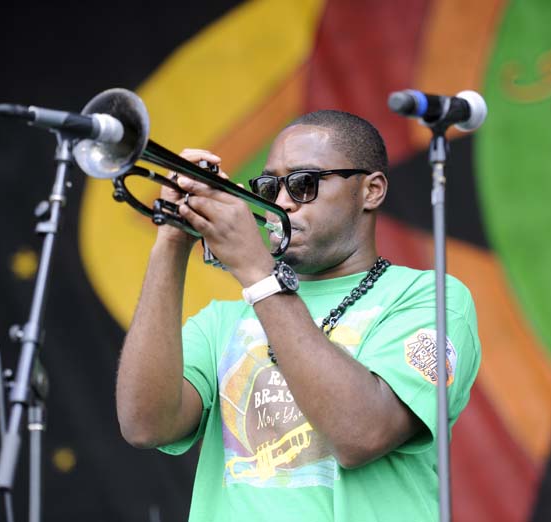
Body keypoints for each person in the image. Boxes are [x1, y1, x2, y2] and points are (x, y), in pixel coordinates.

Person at [116, 110, 481, 521]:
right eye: (270, 186)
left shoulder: (431, 299)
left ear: (371, 190)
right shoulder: (224, 319)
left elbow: (361, 434)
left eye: (304, 184)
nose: (281, 202)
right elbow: (145, 425)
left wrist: (259, 274)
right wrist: (171, 239)